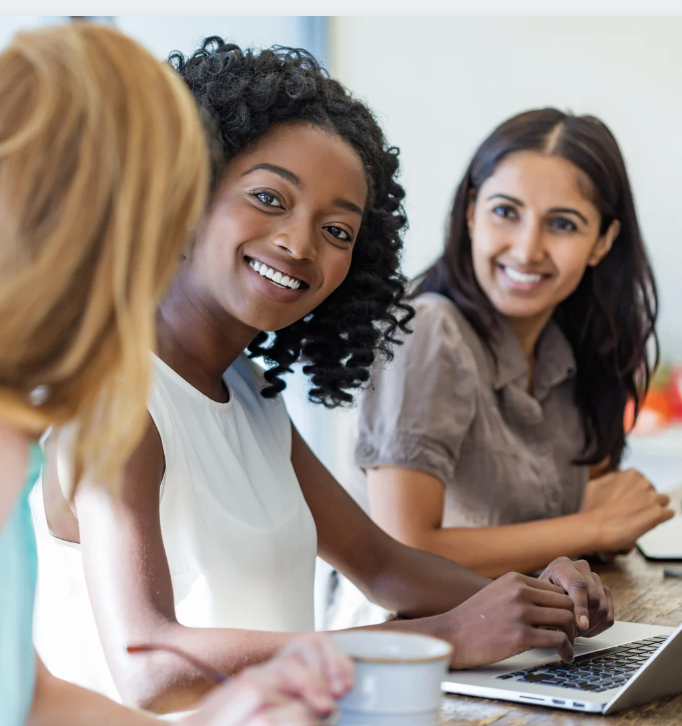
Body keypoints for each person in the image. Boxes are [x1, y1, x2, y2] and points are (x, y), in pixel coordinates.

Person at [34, 43, 614, 714]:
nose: (300, 242)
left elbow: (380, 561)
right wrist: (442, 638)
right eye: (268, 197)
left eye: (338, 230)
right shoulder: (118, 399)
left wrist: (544, 597)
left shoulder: (245, 388)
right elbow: (150, 665)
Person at [0, 22, 352, 726]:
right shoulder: (94, 408)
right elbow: (144, 668)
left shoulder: (24, 429)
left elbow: (32, 699)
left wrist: (233, 711)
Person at [345, 108, 674, 581]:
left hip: (531, 628)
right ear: (473, 212)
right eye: (506, 212)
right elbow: (404, 548)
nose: (526, 250)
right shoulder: (428, 329)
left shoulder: (580, 345)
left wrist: (598, 521)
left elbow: (605, 499)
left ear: (603, 241)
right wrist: (593, 527)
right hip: (417, 638)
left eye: (562, 224)